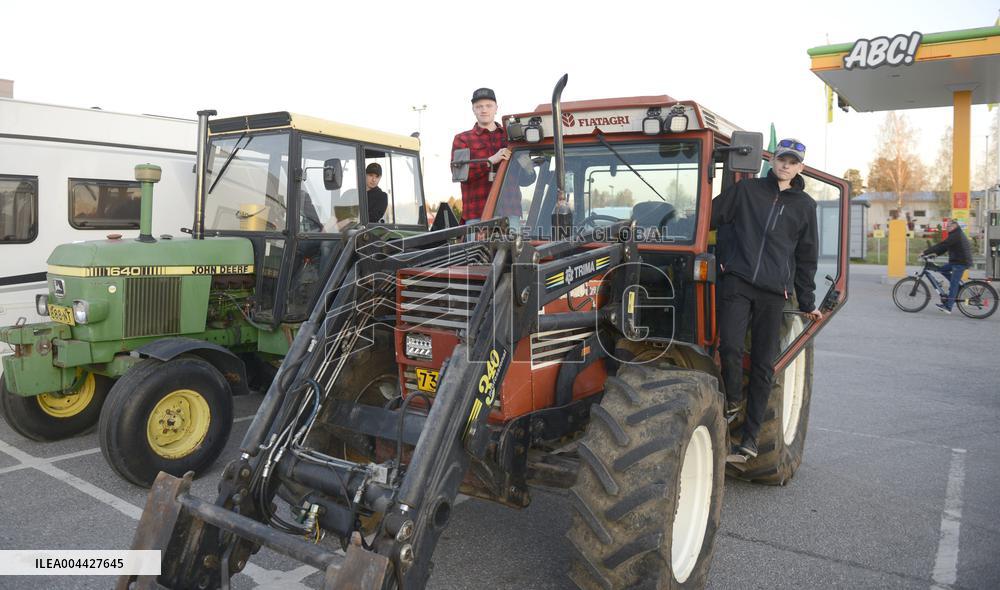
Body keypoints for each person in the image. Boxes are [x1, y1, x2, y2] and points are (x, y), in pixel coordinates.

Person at [710, 138, 823, 458]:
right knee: (729, 345)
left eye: (793, 161)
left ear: (801, 167)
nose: (786, 165)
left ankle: (750, 438)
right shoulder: (747, 192)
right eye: (782, 159)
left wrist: (807, 301)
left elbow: (806, 256)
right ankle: (732, 400)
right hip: (738, 281)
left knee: (763, 366)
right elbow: (710, 216)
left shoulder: (805, 206)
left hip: (774, 293)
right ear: (772, 161)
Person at [452, 87, 510, 224]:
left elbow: (527, 179)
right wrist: (489, 161)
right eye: (479, 106)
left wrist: (526, 165)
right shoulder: (462, 139)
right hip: (477, 213)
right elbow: (458, 172)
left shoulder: (510, 137)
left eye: (489, 106)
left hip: (509, 210)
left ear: (496, 108)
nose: (484, 110)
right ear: (473, 109)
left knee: (514, 246)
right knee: (477, 247)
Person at [922, 218, 973, 314]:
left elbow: (942, 244)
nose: (946, 228)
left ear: (954, 226)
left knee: (953, 284)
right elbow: (945, 247)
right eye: (946, 226)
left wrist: (925, 252)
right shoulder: (954, 234)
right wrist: (936, 254)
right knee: (942, 269)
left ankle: (948, 307)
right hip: (956, 261)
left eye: (948, 226)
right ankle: (957, 287)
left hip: (961, 262)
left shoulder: (956, 235)